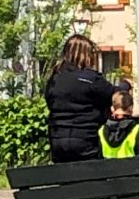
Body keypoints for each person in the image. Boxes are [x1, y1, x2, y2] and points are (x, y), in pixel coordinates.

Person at [45, 34, 120, 163]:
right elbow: (113, 95)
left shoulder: (54, 80)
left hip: (57, 142)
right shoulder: (91, 79)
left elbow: (50, 102)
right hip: (85, 141)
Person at [98, 91, 139, 158]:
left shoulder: (101, 131)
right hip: (131, 168)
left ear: (112, 109)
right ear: (131, 108)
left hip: (107, 168)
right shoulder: (135, 131)